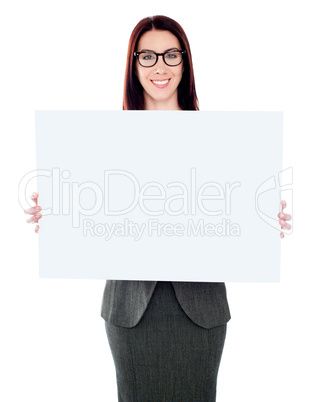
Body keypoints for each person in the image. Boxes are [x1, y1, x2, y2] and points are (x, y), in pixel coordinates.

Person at [25, 15, 292, 402]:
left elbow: (237, 213)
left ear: (185, 62)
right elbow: (88, 210)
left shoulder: (225, 141)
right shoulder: (101, 142)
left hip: (201, 311)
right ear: (134, 66)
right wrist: (55, 213)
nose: (160, 66)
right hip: (131, 309)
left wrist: (266, 218)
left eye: (171, 54)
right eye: (147, 56)